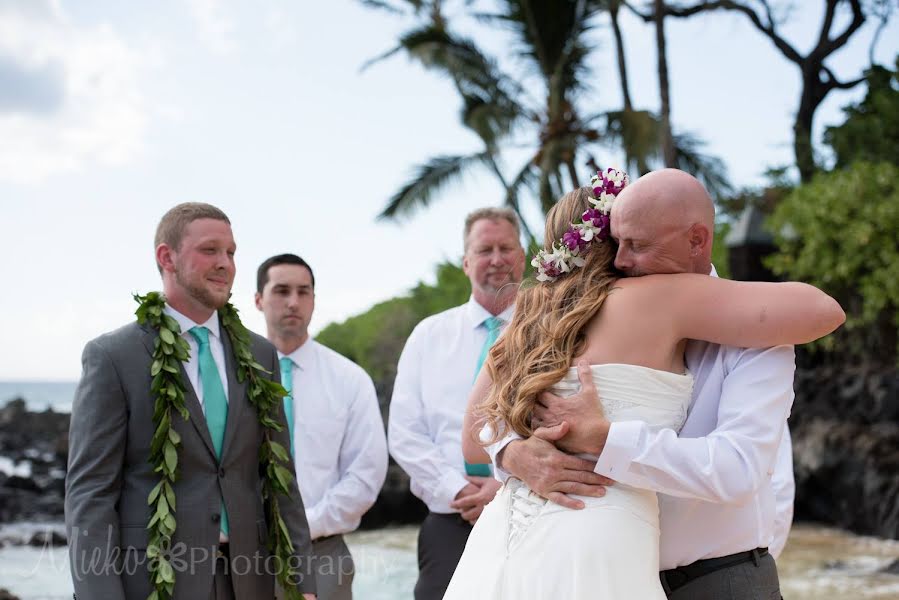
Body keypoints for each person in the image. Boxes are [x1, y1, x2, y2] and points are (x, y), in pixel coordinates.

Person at [444, 169, 845, 599]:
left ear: (695, 240)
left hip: (712, 579)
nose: (622, 261)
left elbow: (738, 469)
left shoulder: (533, 316)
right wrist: (513, 453)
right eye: (619, 242)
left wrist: (607, 439)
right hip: (599, 551)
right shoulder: (587, 315)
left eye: (635, 244)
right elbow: (479, 437)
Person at [65, 203, 317, 600]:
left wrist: (302, 583)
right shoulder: (114, 356)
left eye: (231, 252)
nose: (226, 264)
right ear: (167, 257)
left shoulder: (260, 355)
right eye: (210, 250)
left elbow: (281, 481)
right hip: (154, 583)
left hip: (250, 582)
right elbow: (90, 493)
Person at [387, 207, 527, 600]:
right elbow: (404, 432)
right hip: (450, 515)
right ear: (466, 262)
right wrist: (458, 490)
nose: (496, 259)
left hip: (530, 511)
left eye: (506, 248)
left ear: (522, 256)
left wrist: (501, 488)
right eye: (485, 250)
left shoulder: (550, 331)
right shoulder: (427, 336)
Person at [255, 253, 388, 600]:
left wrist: (303, 526)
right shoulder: (232, 376)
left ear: (314, 299)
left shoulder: (349, 379)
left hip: (323, 553)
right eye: (281, 291)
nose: (293, 302)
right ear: (259, 300)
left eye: (304, 292)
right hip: (244, 555)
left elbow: (366, 473)